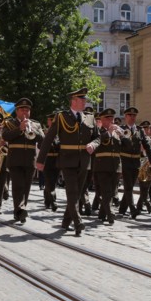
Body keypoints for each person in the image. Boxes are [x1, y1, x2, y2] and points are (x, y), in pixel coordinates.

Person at [36, 89, 100, 236]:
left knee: (78, 193)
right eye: (82, 100)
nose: (85, 102)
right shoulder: (61, 117)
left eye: (85, 100)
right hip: (67, 160)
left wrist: (93, 145)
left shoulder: (90, 118)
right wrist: (41, 160)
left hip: (84, 161)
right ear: (73, 101)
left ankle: (66, 222)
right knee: (72, 192)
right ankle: (78, 222)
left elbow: (98, 137)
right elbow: (48, 139)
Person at [3, 98, 44, 224]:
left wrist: (33, 129)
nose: (25, 112)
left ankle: (19, 211)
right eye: (22, 109)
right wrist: (19, 129)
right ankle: (21, 210)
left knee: (26, 188)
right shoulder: (9, 123)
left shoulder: (36, 124)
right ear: (17, 111)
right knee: (17, 187)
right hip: (15, 160)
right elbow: (5, 136)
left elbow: (42, 139)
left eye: (27, 110)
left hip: (29, 160)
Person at [118, 107, 151, 219]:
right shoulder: (121, 129)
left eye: (134, 115)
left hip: (136, 162)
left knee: (129, 186)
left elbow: (147, 146)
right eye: (130, 115)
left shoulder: (139, 130)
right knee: (128, 186)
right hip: (125, 161)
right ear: (125, 117)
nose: (132, 117)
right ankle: (133, 209)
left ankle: (122, 208)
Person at [93, 108, 121, 225]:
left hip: (116, 166)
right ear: (101, 120)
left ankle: (102, 214)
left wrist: (123, 136)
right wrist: (109, 132)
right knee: (106, 192)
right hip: (102, 166)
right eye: (107, 118)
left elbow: (126, 147)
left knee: (111, 192)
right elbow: (97, 144)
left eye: (112, 118)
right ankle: (110, 214)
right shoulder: (97, 131)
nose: (111, 120)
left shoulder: (117, 133)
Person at [42, 112, 60, 212]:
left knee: (53, 182)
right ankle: (53, 202)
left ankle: (47, 200)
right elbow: (42, 146)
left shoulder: (60, 133)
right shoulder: (44, 133)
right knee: (49, 181)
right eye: (51, 120)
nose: (53, 122)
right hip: (47, 160)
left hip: (56, 160)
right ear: (48, 121)